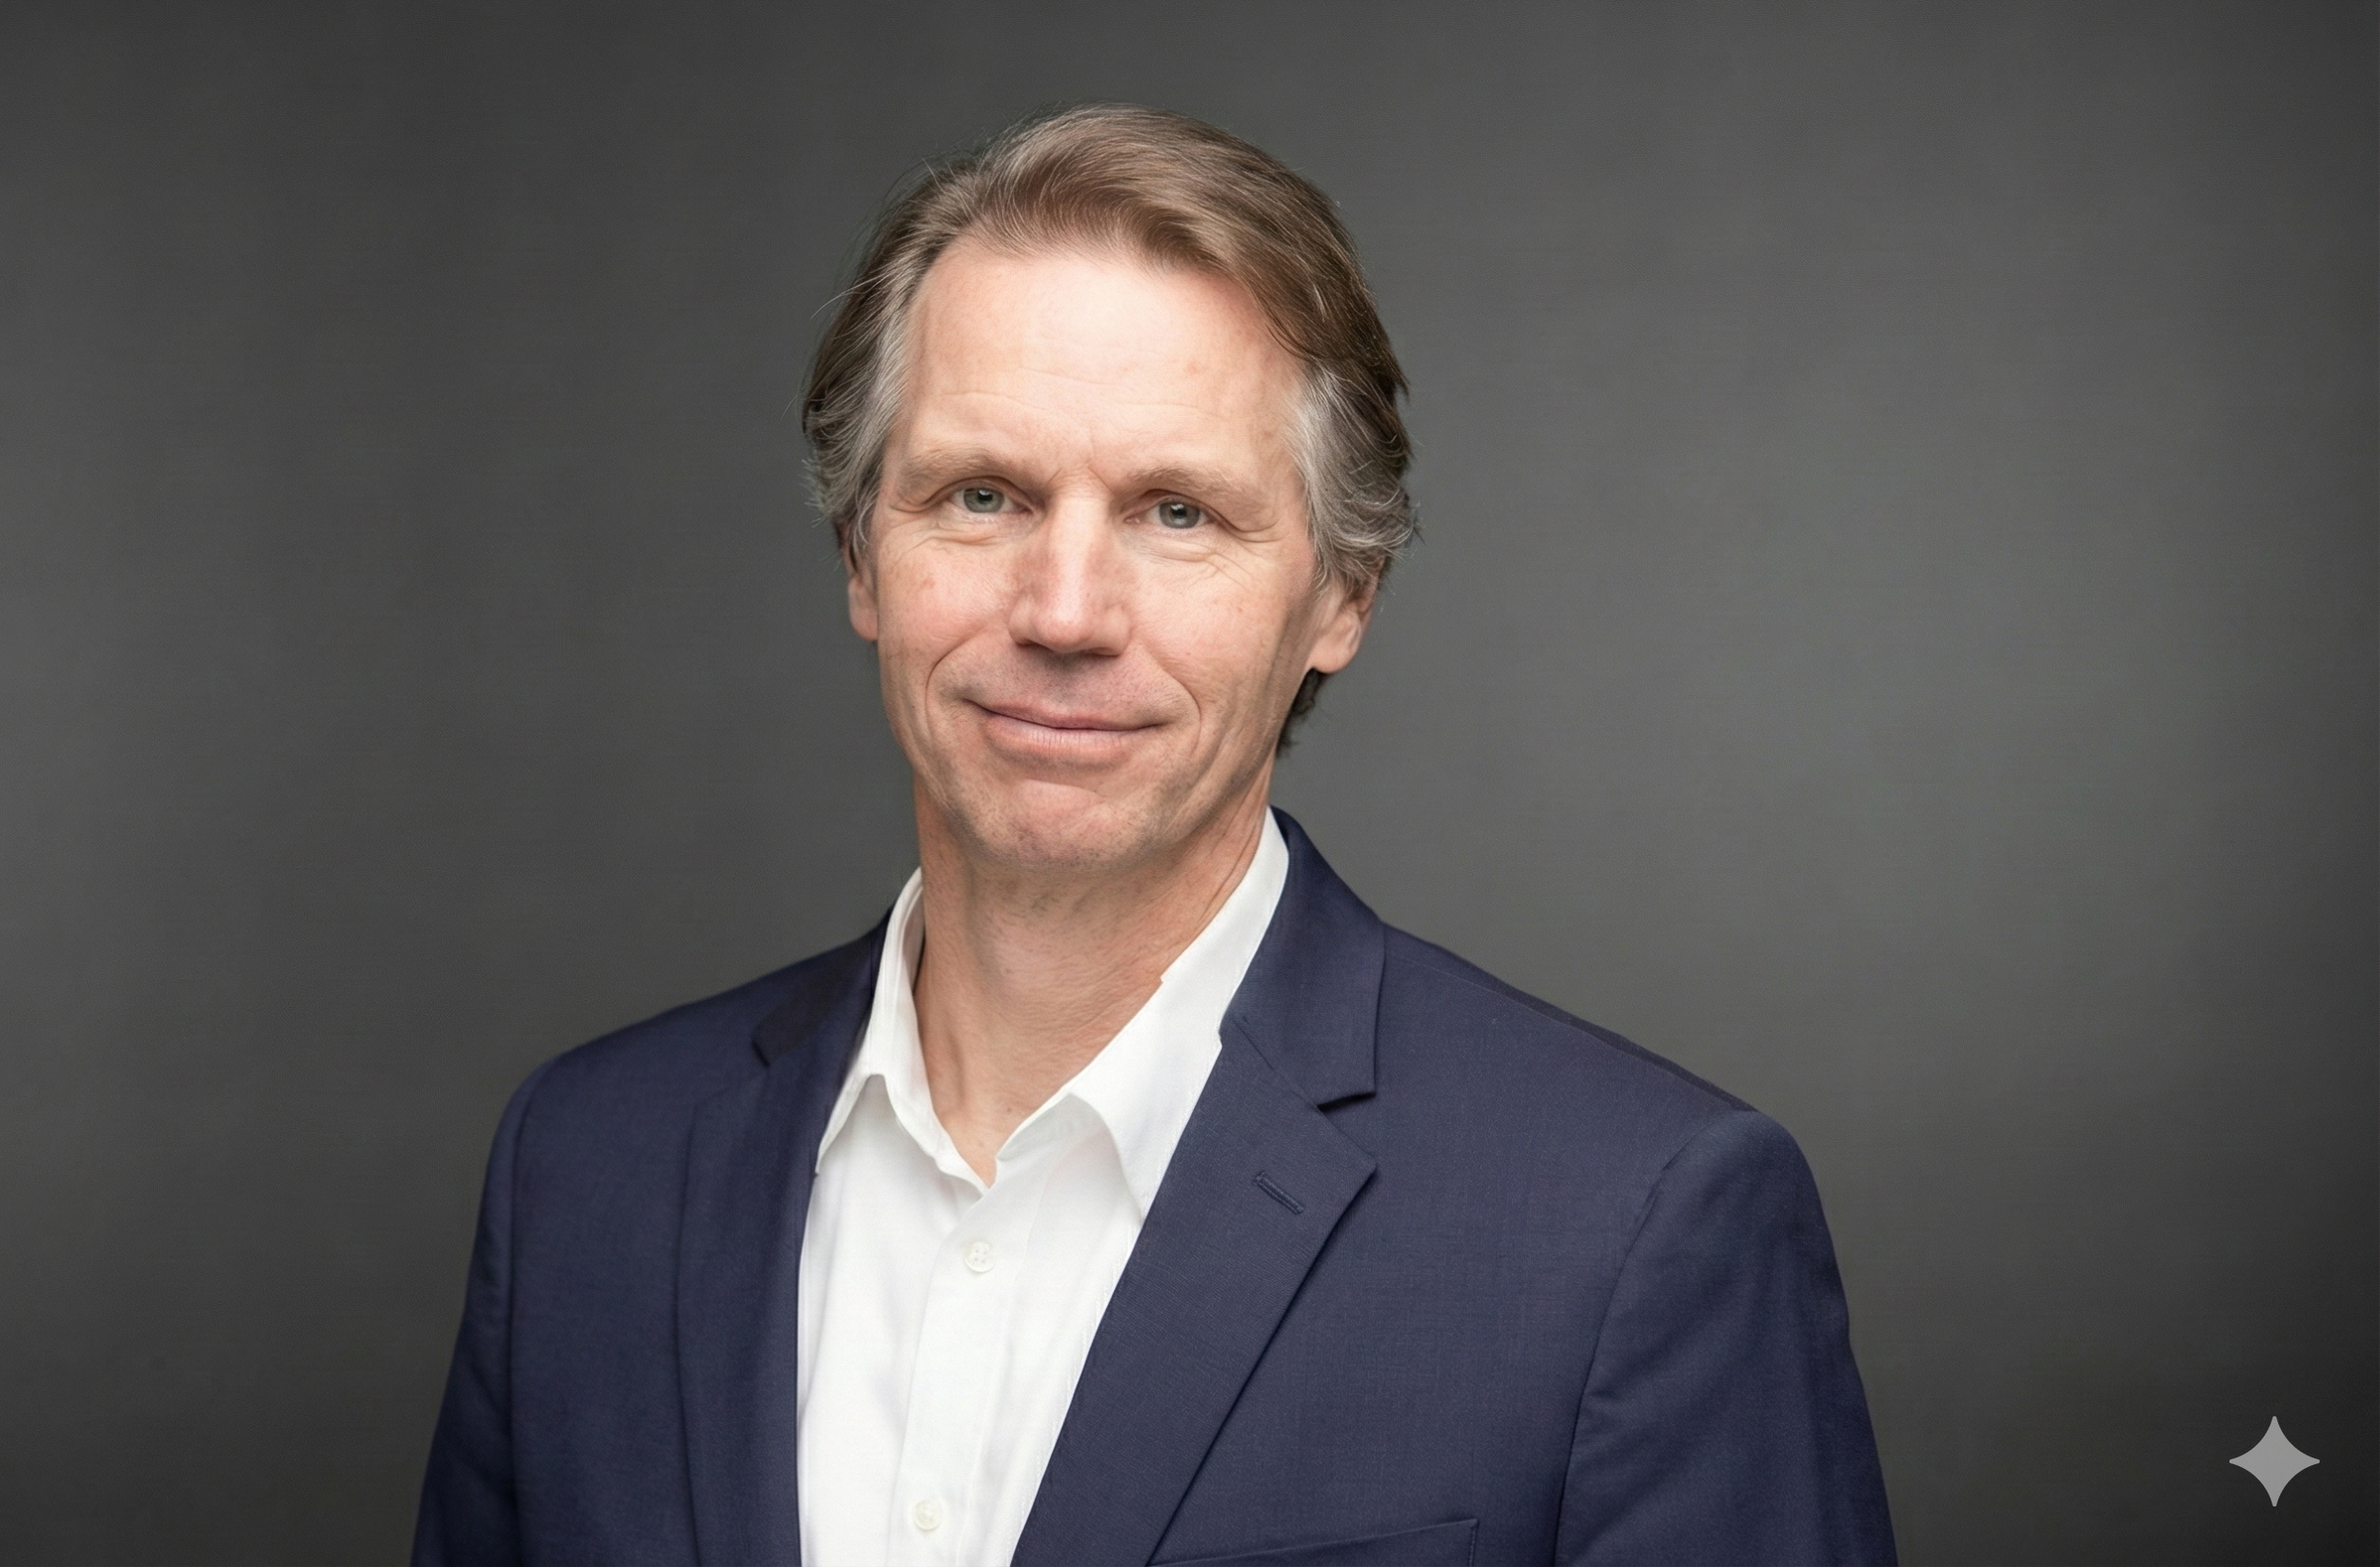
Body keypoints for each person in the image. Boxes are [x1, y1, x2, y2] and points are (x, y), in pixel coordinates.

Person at [413, 104, 1895, 1567]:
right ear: (864, 551)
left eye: (1178, 512)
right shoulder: (589, 1169)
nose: (1064, 611)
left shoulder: (1632, 1225)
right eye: (981, 495)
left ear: (1342, 596)